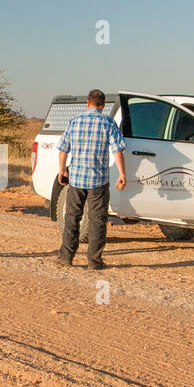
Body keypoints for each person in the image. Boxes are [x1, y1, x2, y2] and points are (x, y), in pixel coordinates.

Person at [56, 89, 127, 270]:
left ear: (88, 103)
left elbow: (63, 149)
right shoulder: (108, 123)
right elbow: (117, 150)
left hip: (77, 179)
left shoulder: (74, 122)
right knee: (97, 220)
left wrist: (62, 169)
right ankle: (94, 261)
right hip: (98, 180)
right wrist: (122, 174)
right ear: (103, 105)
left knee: (72, 217)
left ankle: (66, 256)